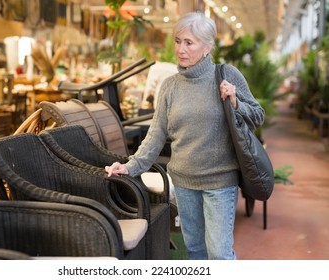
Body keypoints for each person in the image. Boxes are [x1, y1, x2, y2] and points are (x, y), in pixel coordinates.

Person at [105, 11, 264, 260]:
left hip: (220, 183)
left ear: (207, 47)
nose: (181, 49)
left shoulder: (226, 76)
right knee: (196, 252)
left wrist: (236, 102)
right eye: (178, 41)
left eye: (189, 42)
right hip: (184, 183)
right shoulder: (170, 86)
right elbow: (156, 135)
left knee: (219, 255)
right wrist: (130, 166)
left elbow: (257, 116)